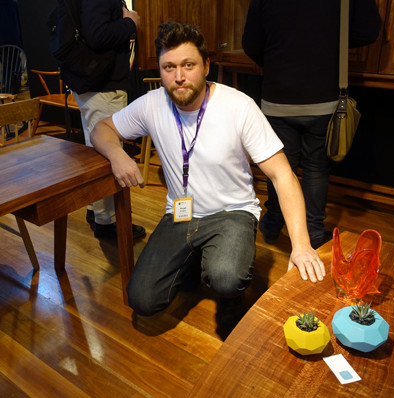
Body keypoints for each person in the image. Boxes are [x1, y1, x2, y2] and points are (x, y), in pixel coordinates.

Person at [90, 21, 325, 331]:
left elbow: (283, 174)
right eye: (168, 67)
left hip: (233, 212)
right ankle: (192, 261)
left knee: (226, 278)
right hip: (181, 213)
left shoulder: (238, 106)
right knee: (142, 300)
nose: (178, 76)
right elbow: (100, 129)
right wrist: (117, 154)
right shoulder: (151, 104)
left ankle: (232, 298)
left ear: (206, 66)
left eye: (188, 65)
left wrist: (301, 244)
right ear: (159, 70)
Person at [242, 0, 381, 249]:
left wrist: (280, 55)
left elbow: (251, 44)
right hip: (324, 97)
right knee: (317, 169)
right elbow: (368, 31)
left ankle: (273, 222)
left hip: (278, 97)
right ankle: (315, 232)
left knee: (281, 168)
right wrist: (329, 39)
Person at [72, 0, 145, 239]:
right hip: (103, 86)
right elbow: (98, 35)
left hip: (91, 84)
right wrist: (129, 23)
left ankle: (96, 211)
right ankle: (108, 222)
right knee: (108, 152)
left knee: (96, 150)